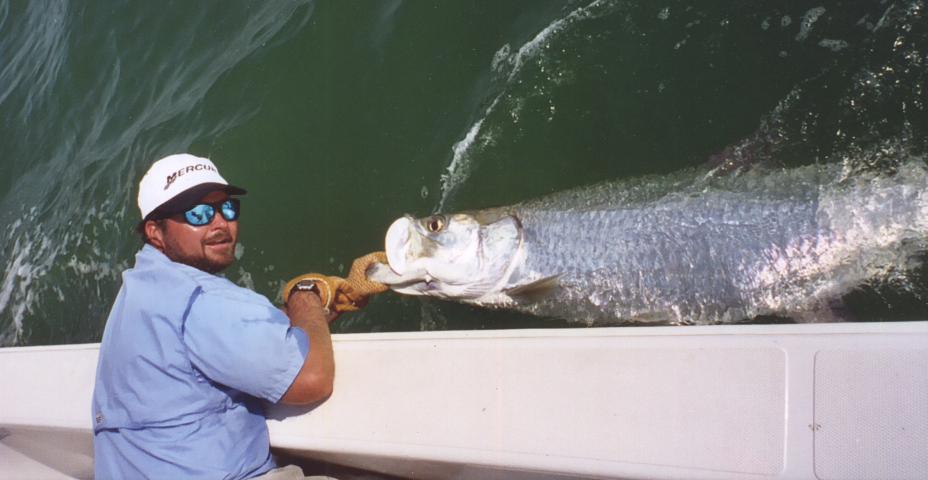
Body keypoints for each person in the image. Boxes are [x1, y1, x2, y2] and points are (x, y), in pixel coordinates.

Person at [92, 153, 375, 479]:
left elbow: (224, 337)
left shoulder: (140, 289)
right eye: (198, 214)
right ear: (155, 231)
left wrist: (316, 312)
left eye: (226, 208)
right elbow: (312, 380)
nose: (219, 223)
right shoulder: (199, 298)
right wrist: (306, 294)